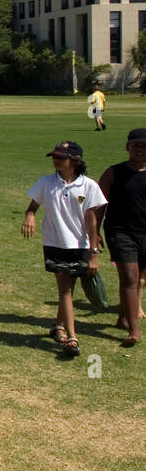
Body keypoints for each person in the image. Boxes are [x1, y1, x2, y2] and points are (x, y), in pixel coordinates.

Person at [23, 141, 105, 356]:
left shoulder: (89, 186)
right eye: (54, 156)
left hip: (79, 246)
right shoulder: (45, 183)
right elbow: (32, 207)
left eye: (61, 157)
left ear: (76, 160)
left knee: (69, 288)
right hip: (54, 243)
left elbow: (91, 222)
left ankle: (59, 326)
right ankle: (72, 338)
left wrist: (93, 253)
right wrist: (29, 217)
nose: (55, 160)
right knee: (65, 288)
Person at [95, 128, 146, 346]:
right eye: (135, 146)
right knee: (130, 276)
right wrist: (94, 232)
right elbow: (98, 204)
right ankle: (134, 330)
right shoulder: (113, 172)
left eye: (144, 146)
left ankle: (123, 317)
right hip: (120, 231)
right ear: (128, 147)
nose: (140, 150)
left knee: (139, 277)